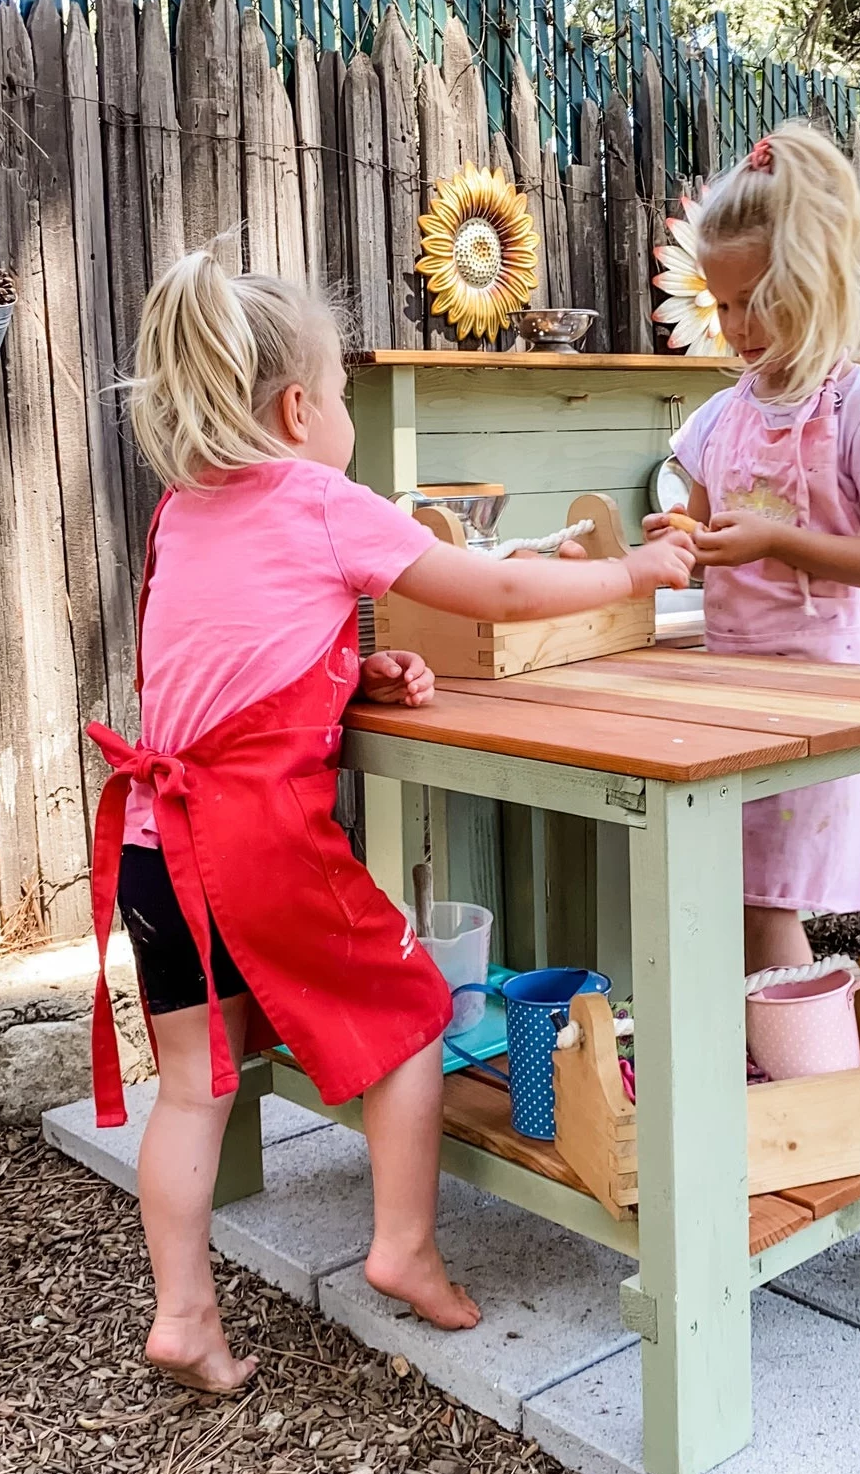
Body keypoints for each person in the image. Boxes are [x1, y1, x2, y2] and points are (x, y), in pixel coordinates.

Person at [88, 247, 696, 1394]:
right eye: (347, 395)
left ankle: (182, 1315)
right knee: (414, 1013)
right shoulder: (320, 500)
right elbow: (502, 591)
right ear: (298, 407)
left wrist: (348, 675)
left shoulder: (182, 512)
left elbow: (224, 664)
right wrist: (639, 573)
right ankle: (403, 1244)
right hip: (252, 843)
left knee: (192, 1084)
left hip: (153, 845)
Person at [645, 121, 860, 976]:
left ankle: (803, 1085)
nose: (735, 327)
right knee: (738, 892)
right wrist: (682, 542)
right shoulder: (717, 420)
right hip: (735, 686)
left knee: (764, 900)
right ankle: (785, 1064)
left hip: (827, 690)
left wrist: (777, 539)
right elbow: (696, 535)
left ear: (817, 283)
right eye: (722, 304)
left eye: (756, 301)